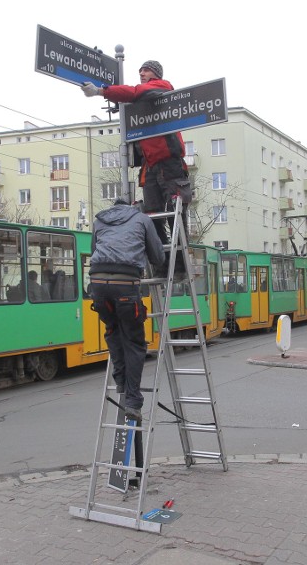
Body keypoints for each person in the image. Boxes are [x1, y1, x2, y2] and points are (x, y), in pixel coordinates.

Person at [81, 60, 191, 277]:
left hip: (170, 165)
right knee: (153, 217)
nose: (141, 73)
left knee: (174, 216)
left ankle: (179, 266)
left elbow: (136, 92)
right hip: (150, 167)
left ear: (156, 74)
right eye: (140, 70)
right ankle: (161, 265)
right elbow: (132, 95)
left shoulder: (161, 88)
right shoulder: (139, 105)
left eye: (146, 70)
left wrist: (101, 91)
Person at [89, 198, 164, 422]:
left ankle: (120, 380)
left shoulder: (99, 221)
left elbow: (95, 250)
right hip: (126, 285)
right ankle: (133, 400)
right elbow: (158, 256)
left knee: (113, 330)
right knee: (134, 342)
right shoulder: (142, 219)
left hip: (98, 283)